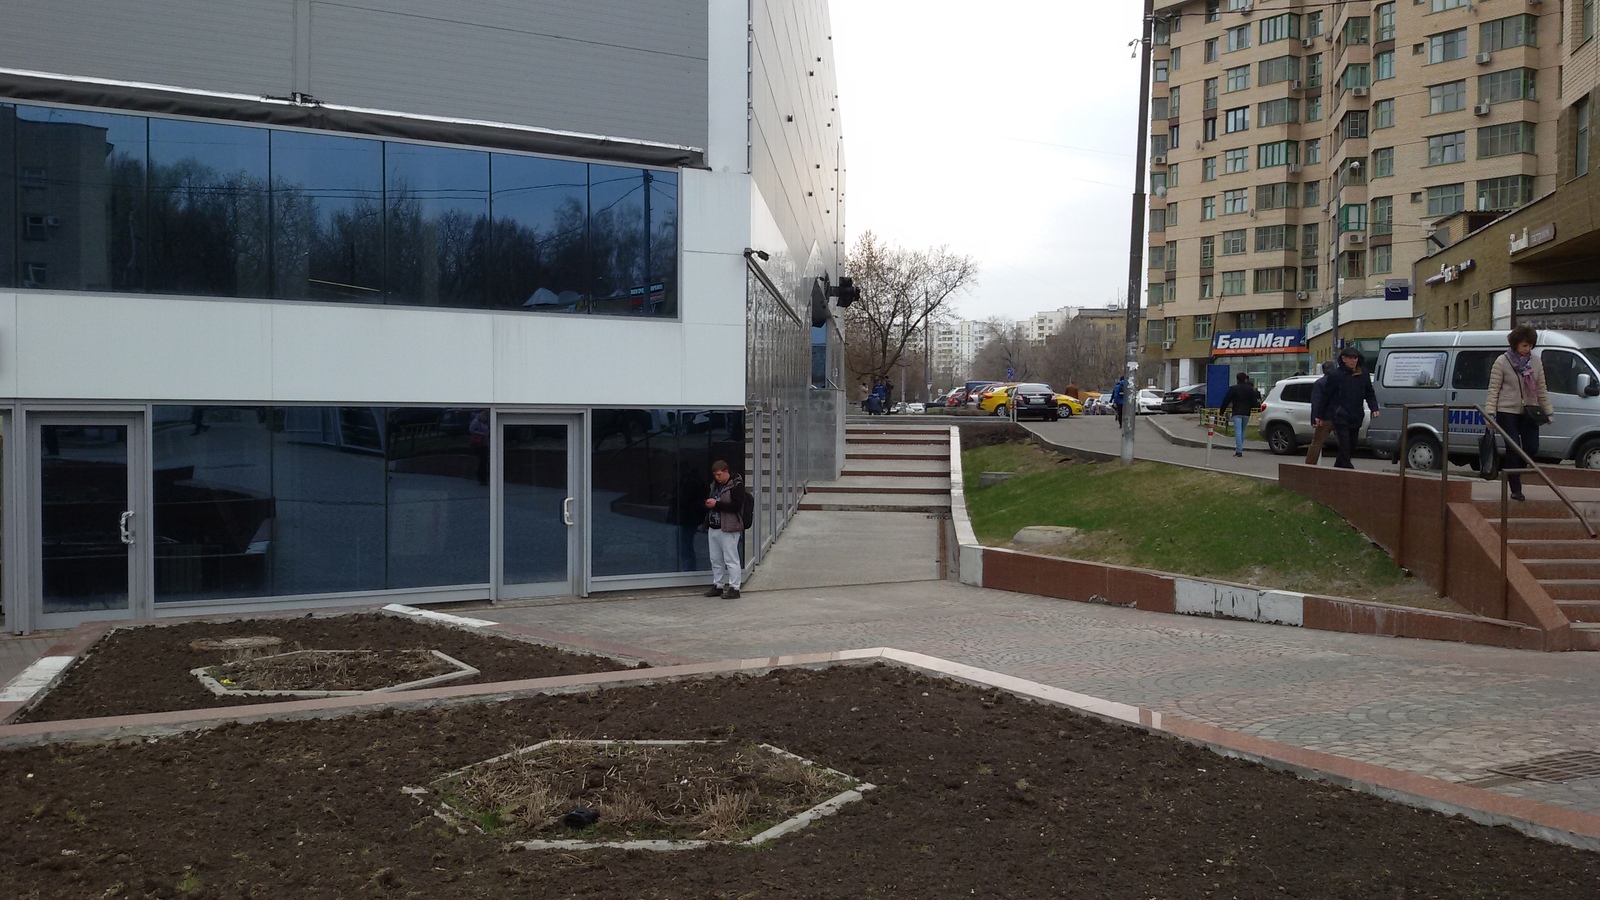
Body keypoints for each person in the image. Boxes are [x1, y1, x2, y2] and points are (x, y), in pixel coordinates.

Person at [1485, 325, 1553, 501]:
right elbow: (1493, 389)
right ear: (1515, 344)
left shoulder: (1536, 362)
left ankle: (1512, 471)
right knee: (1513, 448)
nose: (1527, 349)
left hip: (1530, 410)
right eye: (1524, 345)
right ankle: (1516, 488)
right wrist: (1490, 414)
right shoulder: (1502, 361)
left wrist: (1548, 411)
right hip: (1507, 410)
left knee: (1532, 447)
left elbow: (1541, 389)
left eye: (1530, 345)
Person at [1312, 347, 1379, 469]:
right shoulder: (1336, 375)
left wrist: (1374, 408)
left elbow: (1369, 393)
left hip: (1356, 415)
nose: (1353, 361)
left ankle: (1339, 467)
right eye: (1351, 358)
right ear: (1343, 359)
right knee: (1345, 445)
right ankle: (1347, 470)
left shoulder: (1363, 374)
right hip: (1340, 416)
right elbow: (1326, 396)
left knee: (1352, 445)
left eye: (1355, 358)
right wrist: (1319, 415)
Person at [703, 460, 746, 599]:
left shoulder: (736, 485)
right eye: (715, 475)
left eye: (719, 474)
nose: (717, 477)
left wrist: (717, 504)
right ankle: (718, 585)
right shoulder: (715, 485)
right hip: (714, 525)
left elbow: (737, 505)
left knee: (731, 558)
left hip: (729, 526)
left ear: (726, 471)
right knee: (715, 558)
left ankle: (735, 587)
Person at [1217, 373, 1261, 458]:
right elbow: (1254, 402)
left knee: (1237, 431)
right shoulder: (1250, 389)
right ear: (1245, 379)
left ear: (1237, 379)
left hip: (1237, 412)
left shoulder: (1233, 388)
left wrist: (1222, 411)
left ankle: (1239, 450)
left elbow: (1226, 399)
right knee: (1242, 431)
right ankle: (1240, 448)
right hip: (1246, 413)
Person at [1304, 360, 1337, 465]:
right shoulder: (1341, 382)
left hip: (1324, 417)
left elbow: (1316, 401)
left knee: (1317, 442)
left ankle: (1309, 465)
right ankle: (1345, 463)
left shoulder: (1320, 383)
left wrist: (1314, 418)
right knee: (1344, 443)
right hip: (1339, 416)